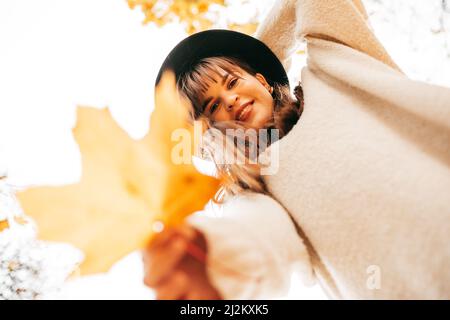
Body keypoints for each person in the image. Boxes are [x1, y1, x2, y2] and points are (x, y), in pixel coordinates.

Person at [143, 0, 450, 299]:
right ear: (209, 132)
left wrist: (261, 57)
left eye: (233, 83)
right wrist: (215, 261)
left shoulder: (332, 79)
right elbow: (256, 238)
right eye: (213, 106)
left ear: (263, 82)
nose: (230, 100)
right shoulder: (253, 187)